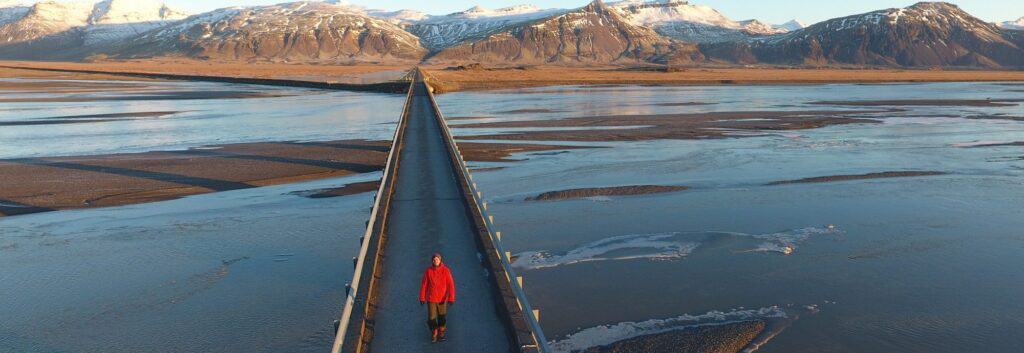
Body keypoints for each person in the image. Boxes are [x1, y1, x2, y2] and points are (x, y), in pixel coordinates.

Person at [420, 252, 455, 343]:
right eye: (434, 259)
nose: (435, 261)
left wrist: (451, 298)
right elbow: (424, 285)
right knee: (431, 317)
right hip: (431, 299)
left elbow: (451, 285)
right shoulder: (428, 271)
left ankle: (441, 332)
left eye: (437, 259)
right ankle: (434, 332)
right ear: (432, 261)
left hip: (442, 300)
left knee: (442, 317)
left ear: (440, 260)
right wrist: (422, 297)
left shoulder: (446, 271)